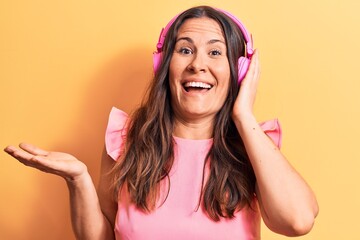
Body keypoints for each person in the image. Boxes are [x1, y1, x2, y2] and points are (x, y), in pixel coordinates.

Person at [4, 5, 318, 240]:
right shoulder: (124, 139)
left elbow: (297, 221)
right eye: (185, 50)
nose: (198, 64)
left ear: (239, 72)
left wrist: (243, 114)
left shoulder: (253, 146)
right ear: (164, 65)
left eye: (215, 53)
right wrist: (78, 179)